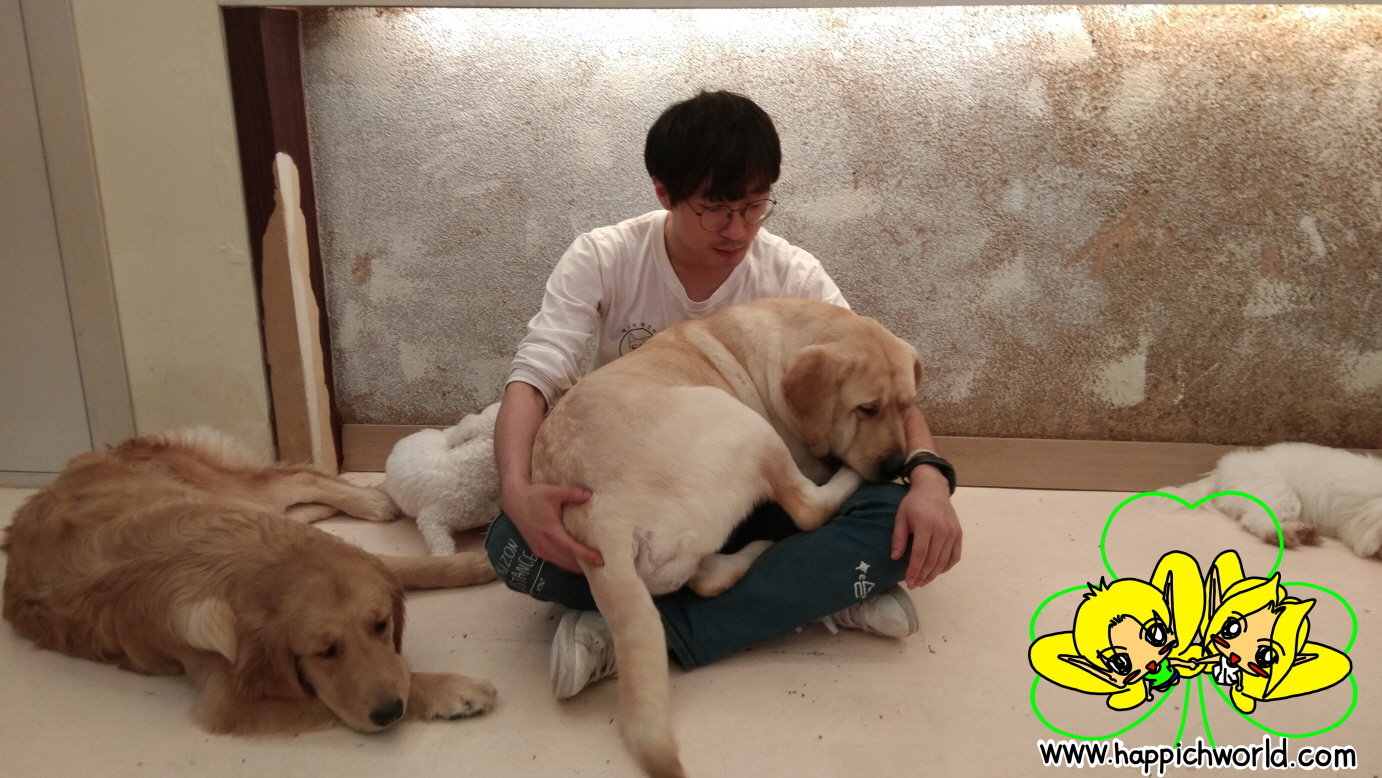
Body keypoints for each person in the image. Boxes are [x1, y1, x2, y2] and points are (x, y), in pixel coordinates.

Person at [486, 90, 962, 699]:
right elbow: (534, 377)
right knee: (510, 547)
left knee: (899, 520)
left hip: (762, 499)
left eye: (754, 205)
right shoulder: (603, 256)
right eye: (715, 209)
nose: (738, 228)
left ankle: (636, 630)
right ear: (664, 192)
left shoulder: (791, 273)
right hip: (652, 507)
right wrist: (515, 490)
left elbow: (881, 384)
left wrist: (929, 478)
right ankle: (811, 591)